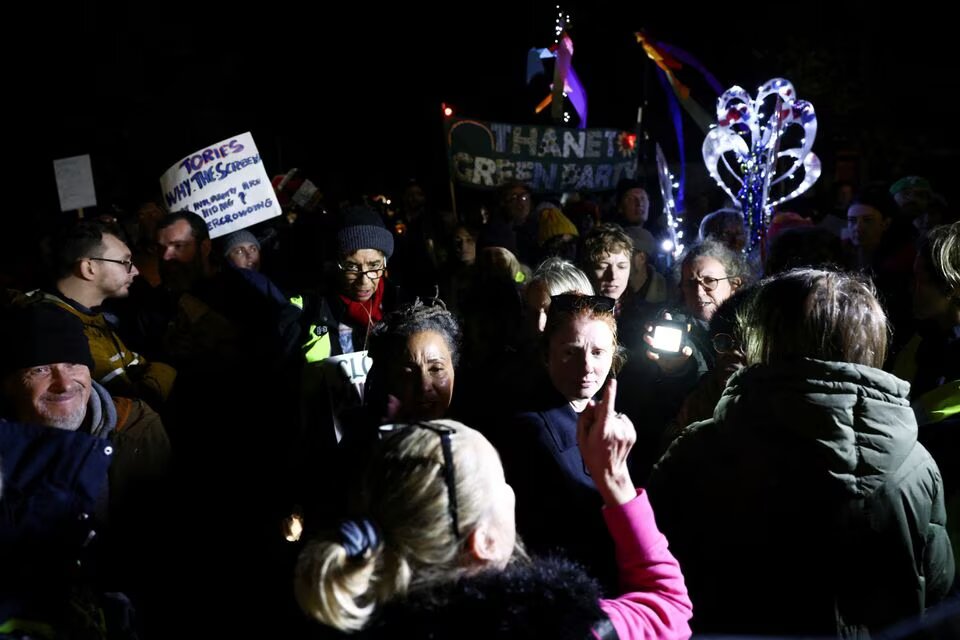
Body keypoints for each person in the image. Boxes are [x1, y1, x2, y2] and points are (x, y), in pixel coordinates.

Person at [647, 268, 955, 636]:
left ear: (766, 337)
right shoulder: (915, 465)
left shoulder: (699, 449)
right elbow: (936, 580)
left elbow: (655, 564)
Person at [294, 383, 692, 639]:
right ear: (482, 541)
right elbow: (667, 605)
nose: (510, 491)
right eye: (502, 481)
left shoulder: (343, 608)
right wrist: (616, 481)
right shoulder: (562, 626)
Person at [495, 293, 626, 586]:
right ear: (546, 355)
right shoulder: (530, 433)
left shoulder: (601, 411)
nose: (586, 366)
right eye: (570, 352)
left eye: (598, 352)